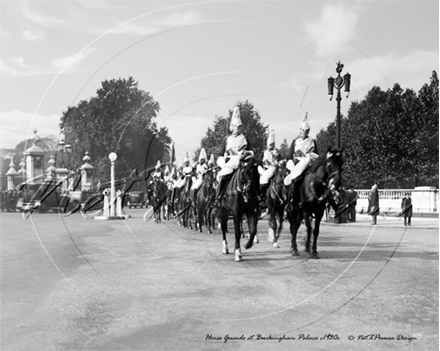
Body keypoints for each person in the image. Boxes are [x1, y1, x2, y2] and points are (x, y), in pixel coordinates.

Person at [213, 106, 253, 207]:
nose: (237, 129)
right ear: (232, 127)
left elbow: (251, 151)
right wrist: (222, 160)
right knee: (224, 176)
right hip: (230, 163)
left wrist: (247, 154)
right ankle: (218, 198)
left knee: (253, 174)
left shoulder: (245, 138)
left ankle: (256, 200)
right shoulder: (227, 139)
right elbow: (220, 153)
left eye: (239, 127)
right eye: (235, 126)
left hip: (243, 162)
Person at [258, 128, 280, 216]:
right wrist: (261, 170)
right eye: (270, 144)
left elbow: (280, 161)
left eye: (273, 144)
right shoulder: (263, 153)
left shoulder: (276, 152)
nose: (272, 146)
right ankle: (262, 200)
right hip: (264, 171)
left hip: (274, 171)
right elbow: (259, 162)